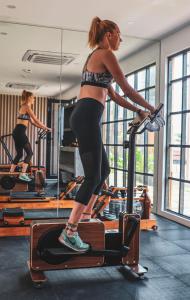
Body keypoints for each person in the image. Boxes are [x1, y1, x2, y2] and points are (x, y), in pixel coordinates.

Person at [58, 17, 156, 252]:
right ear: (109, 34)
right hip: (86, 116)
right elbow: (127, 88)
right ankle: (69, 231)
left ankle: (86, 217)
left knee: (103, 172)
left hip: (87, 116)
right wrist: (152, 109)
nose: (121, 39)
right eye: (118, 34)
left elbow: (116, 96)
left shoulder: (96, 58)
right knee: (93, 176)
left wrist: (140, 111)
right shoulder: (105, 53)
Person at [10, 90, 51, 182]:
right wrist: (46, 127)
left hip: (17, 132)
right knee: (30, 153)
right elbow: (35, 119)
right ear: (29, 98)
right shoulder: (26, 106)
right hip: (20, 132)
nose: (34, 99)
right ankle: (22, 174)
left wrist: (44, 128)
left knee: (20, 154)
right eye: (33, 97)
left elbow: (33, 123)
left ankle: (11, 173)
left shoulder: (25, 107)